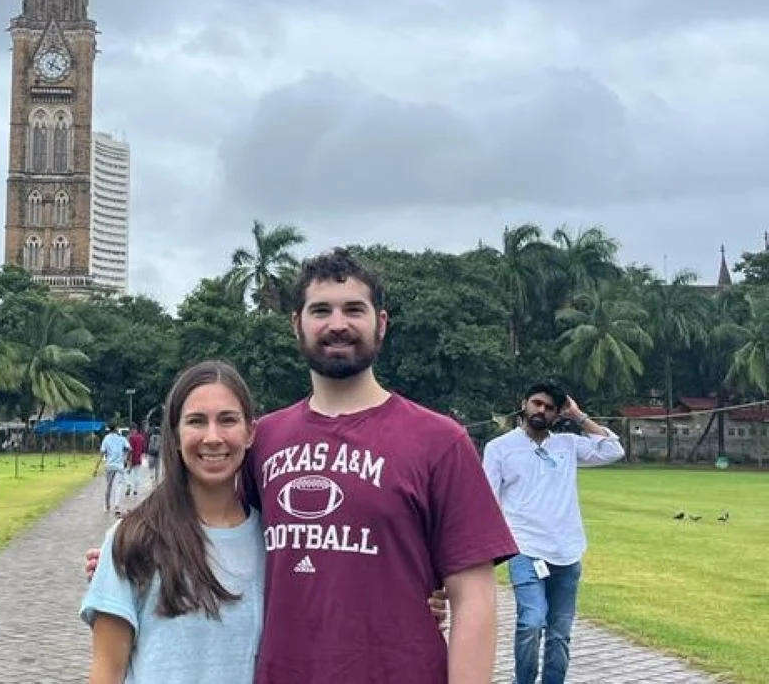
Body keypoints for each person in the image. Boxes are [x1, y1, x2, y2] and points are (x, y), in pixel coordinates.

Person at [88, 248, 504, 682]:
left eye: (354, 309)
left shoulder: (439, 441)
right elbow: (217, 525)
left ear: (381, 323)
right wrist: (127, 552)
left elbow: (474, 597)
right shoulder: (264, 439)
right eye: (321, 310)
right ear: (296, 324)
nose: (338, 324)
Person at [81, 360, 265, 683]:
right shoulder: (133, 540)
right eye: (196, 421)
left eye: (227, 420)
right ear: (176, 435)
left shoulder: (274, 542)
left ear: (250, 432)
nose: (212, 437)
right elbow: (105, 674)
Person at [482, 382, 625, 684]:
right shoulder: (500, 448)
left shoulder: (567, 445)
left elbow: (614, 449)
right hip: (525, 549)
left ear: (556, 414)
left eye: (548, 407)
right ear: (524, 404)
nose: (540, 410)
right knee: (531, 623)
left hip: (567, 552)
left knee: (560, 635)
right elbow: (487, 500)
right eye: (536, 403)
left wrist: (577, 415)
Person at [94, 425, 132, 517]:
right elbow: (130, 449)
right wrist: (126, 459)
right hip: (119, 465)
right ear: (116, 429)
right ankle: (116, 506)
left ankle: (107, 506)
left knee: (108, 486)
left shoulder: (106, 439)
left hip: (109, 465)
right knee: (119, 485)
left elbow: (102, 453)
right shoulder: (121, 439)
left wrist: (96, 468)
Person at [126, 426, 146, 496]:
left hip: (131, 459)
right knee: (137, 475)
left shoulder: (131, 438)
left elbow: (130, 450)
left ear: (132, 430)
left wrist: (127, 458)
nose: (130, 432)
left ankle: (128, 485)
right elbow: (143, 450)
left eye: (130, 430)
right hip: (138, 459)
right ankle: (135, 490)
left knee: (127, 473)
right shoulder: (141, 438)